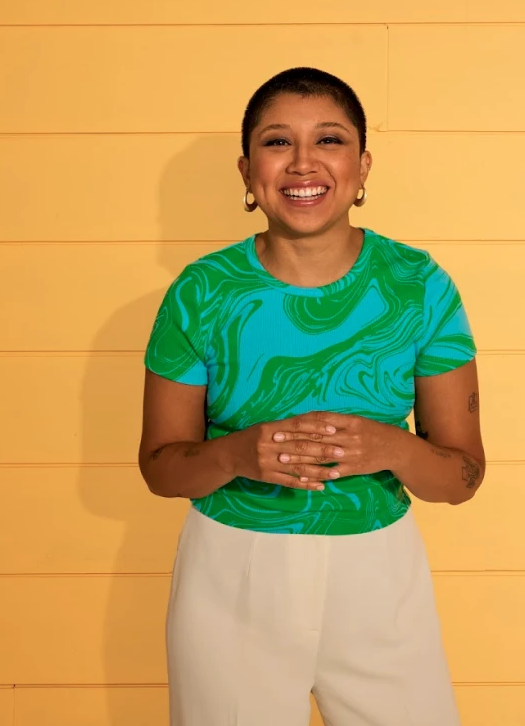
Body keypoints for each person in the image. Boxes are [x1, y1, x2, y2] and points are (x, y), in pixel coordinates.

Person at [139, 67, 486, 726]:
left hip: (380, 575)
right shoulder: (200, 292)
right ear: (247, 171)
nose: (303, 162)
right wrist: (236, 454)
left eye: (329, 139)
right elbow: (159, 467)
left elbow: (464, 475)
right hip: (231, 574)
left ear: (362, 166)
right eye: (277, 142)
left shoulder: (420, 286)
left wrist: (391, 447)